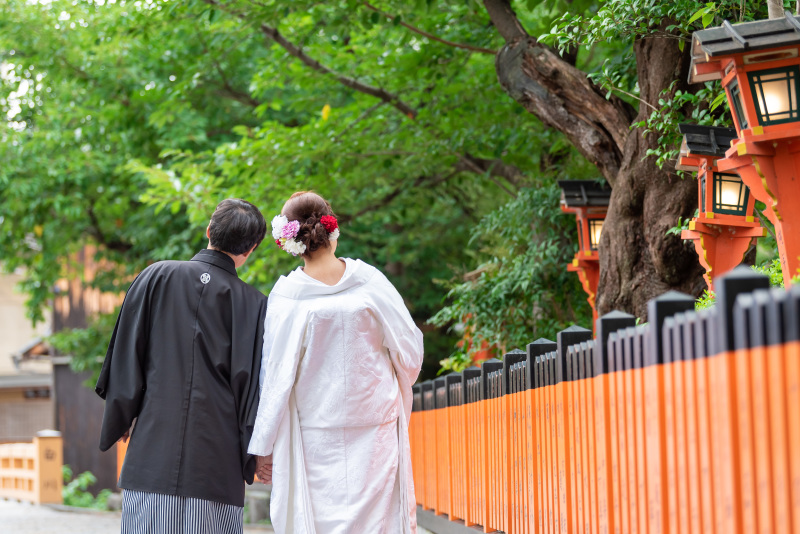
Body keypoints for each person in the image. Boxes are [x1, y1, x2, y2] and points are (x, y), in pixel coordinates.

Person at [248, 191, 424, 534]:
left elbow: (275, 379)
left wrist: (263, 447)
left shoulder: (287, 298)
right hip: (375, 425)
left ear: (289, 240)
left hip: (316, 432)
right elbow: (410, 352)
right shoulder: (370, 282)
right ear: (333, 228)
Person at [95, 198, 268, 534]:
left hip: (152, 450)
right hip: (216, 463)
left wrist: (124, 412)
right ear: (251, 249)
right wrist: (255, 453)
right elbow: (254, 391)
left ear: (208, 231)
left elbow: (127, 353)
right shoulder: (255, 305)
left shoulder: (156, 276)